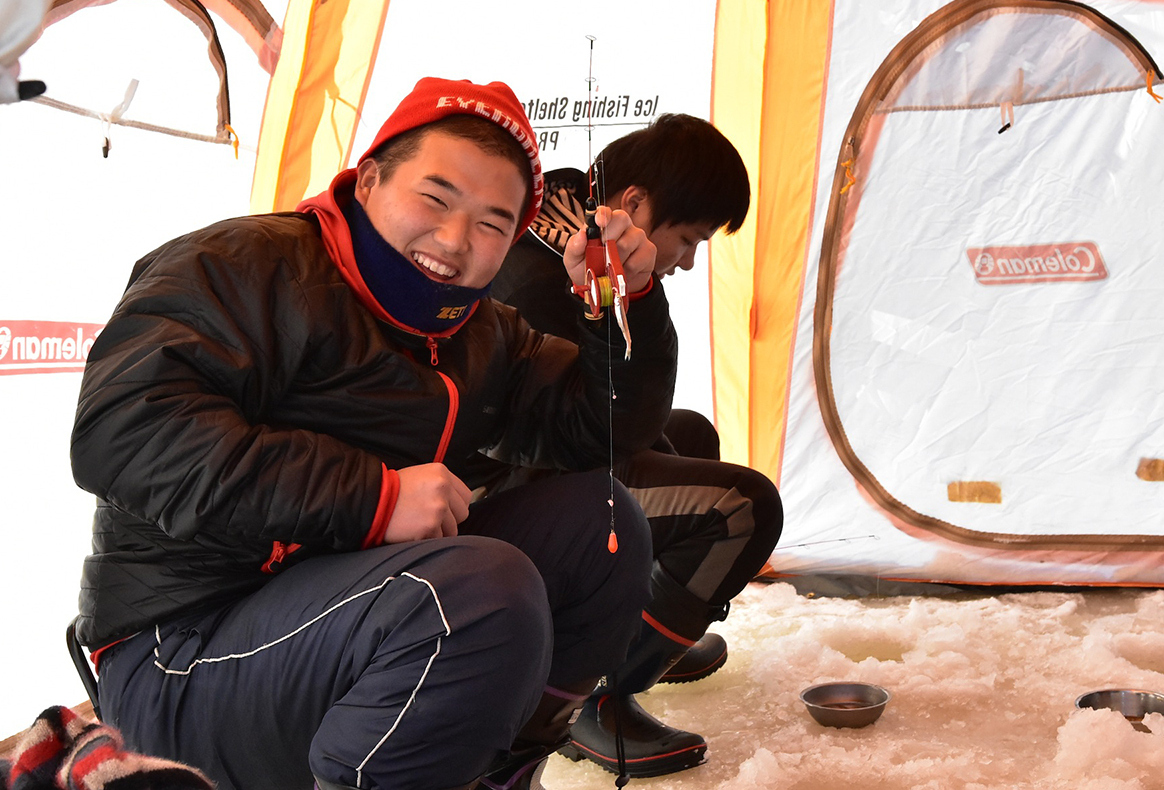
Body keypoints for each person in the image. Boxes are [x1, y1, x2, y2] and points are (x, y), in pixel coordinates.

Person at [69, 77, 680, 790]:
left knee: (600, 526)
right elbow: (124, 432)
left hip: (339, 615)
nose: (454, 242)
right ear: (369, 180)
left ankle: (492, 773)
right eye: (435, 198)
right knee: (473, 592)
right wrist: (372, 498)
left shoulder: (476, 333)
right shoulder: (242, 266)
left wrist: (620, 304)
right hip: (179, 652)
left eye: (491, 224)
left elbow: (601, 423)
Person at [476, 113, 784, 778]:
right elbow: (575, 435)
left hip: (552, 453)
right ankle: (589, 690)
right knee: (742, 508)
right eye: (689, 239)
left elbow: (627, 406)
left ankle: (643, 627)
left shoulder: (569, 218)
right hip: (502, 492)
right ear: (636, 204)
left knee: (693, 433)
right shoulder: (544, 276)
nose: (691, 260)